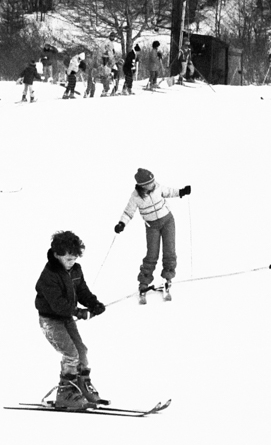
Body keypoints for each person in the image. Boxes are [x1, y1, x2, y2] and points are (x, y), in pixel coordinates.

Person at [34, 230, 108, 410]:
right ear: (57, 254)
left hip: (66, 318)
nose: (72, 263)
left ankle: (81, 387)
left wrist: (94, 304)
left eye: (74, 258)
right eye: (68, 259)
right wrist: (79, 312)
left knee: (81, 351)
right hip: (51, 320)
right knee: (70, 354)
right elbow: (58, 304)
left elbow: (82, 291)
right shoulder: (49, 275)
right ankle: (66, 392)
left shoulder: (76, 270)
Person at [113, 168, 191, 303]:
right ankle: (144, 282)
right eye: (150, 182)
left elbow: (169, 191)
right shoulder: (136, 197)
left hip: (168, 221)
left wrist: (181, 191)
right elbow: (128, 212)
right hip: (152, 226)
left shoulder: (158, 187)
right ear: (142, 185)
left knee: (170, 251)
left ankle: (168, 277)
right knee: (152, 254)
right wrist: (121, 224)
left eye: (153, 180)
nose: (153, 183)